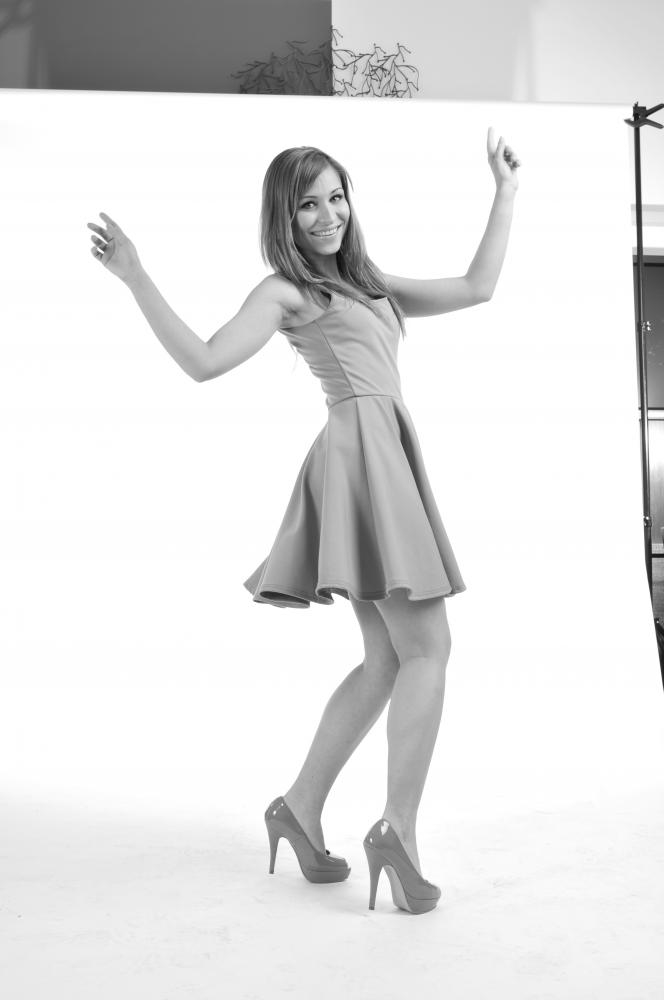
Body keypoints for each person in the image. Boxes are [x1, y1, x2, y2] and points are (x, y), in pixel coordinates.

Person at [87, 127, 519, 914]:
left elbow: (477, 285)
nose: (327, 216)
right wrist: (137, 276)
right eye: (307, 205)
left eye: (335, 197)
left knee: (389, 658)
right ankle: (398, 832)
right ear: (283, 219)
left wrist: (505, 190)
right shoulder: (285, 292)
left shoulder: (370, 282)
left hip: (377, 454)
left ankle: (299, 806)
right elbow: (205, 361)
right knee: (429, 649)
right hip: (362, 459)